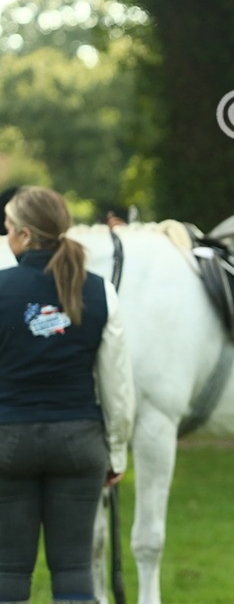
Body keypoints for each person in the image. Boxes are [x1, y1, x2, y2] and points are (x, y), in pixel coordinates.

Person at [0, 186, 135, 604]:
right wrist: (116, 453)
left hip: (9, 443)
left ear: (24, 234)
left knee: (7, 569)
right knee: (76, 569)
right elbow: (117, 385)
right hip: (79, 444)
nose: (4, 237)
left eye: (6, 227)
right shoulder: (98, 290)